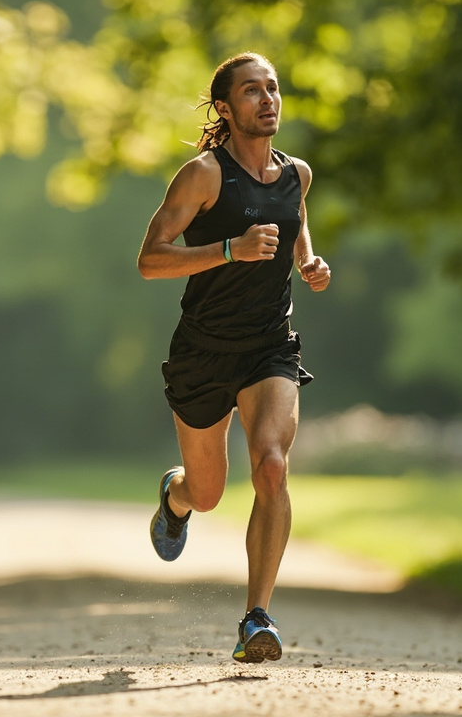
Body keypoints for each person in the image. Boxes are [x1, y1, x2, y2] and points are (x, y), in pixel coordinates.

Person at [137, 52, 331, 664]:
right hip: (202, 350)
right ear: (225, 107)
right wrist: (229, 249)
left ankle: (256, 618)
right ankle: (176, 497)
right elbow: (150, 259)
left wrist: (308, 261)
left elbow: (294, 222)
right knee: (210, 491)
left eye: (273, 88)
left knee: (271, 465)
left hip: (269, 345)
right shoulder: (202, 176)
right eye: (252, 91)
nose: (268, 99)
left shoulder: (296, 174)